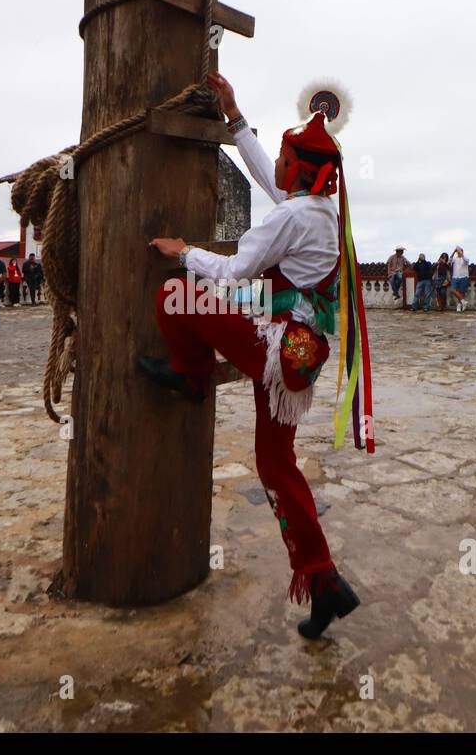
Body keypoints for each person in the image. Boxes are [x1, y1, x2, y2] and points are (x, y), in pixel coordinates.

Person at [140, 71, 372, 640]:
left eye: (288, 156)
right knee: (276, 464)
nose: (281, 164)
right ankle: (323, 581)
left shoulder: (293, 216)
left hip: (275, 347)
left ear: (305, 169)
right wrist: (236, 118)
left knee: (174, 295)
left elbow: (235, 269)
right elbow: (271, 179)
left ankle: (191, 376)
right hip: (299, 356)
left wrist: (184, 251)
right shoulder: (320, 209)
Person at [449, 246, 469, 312]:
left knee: (462, 292)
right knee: (452, 289)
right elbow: (449, 260)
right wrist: (454, 251)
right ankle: (463, 302)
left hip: (464, 277)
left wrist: (461, 254)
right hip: (455, 277)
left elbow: (467, 260)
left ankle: (459, 305)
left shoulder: (465, 258)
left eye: (460, 251)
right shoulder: (455, 259)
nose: (459, 252)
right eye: (458, 251)